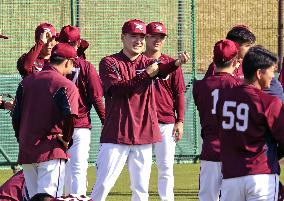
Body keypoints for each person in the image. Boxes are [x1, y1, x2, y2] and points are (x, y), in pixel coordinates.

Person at [91, 19, 189, 201]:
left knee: (141, 190)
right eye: (133, 36)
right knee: (103, 185)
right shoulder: (109, 62)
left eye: (142, 37)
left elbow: (162, 69)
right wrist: (145, 75)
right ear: (122, 37)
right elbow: (120, 89)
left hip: (144, 135)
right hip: (117, 134)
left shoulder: (149, 62)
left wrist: (176, 63)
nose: (138, 41)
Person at [12, 43, 79, 199]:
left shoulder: (26, 82)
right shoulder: (65, 84)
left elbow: (16, 116)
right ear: (68, 62)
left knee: (33, 198)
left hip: (28, 151)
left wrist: (21, 139)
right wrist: (66, 140)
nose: (72, 67)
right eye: (73, 63)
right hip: (50, 150)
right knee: (48, 198)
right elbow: (70, 116)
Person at [216, 46, 283, 201]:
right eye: (272, 71)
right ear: (259, 73)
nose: (273, 76)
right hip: (261, 175)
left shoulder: (224, 98)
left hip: (230, 177)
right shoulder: (269, 102)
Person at [57, 25, 105, 195]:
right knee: (77, 170)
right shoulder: (86, 66)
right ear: (78, 43)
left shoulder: (50, 66)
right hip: (80, 125)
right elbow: (97, 98)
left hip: (56, 127)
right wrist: (106, 123)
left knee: (57, 173)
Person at [192, 39, 239, 201]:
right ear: (235, 61)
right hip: (235, 151)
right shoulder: (240, 86)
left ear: (213, 60)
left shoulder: (200, 86)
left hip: (210, 149)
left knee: (207, 197)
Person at [143, 21, 185, 201]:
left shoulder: (171, 63)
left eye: (161, 37)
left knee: (166, 167)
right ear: (145, 37)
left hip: (166, 122)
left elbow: (179, 93)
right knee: (141, 168)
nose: (158, 40)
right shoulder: (138, 61)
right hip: (142, 122)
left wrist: (180, 120)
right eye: (154, 36)